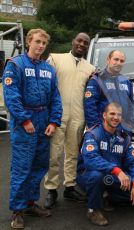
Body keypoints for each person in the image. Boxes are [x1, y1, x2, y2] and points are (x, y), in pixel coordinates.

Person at [2, 28, 62, 229]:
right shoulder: (15, 65)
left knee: (38, 166)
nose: (41, 46)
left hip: (44, 120)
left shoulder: (49, 69)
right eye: (37, 42)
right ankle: (17, 210)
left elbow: (55, 97)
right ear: (29, 42)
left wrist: (54, 122)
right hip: (24, 122)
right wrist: (25, 120)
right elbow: (11, 96)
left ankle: (29, 203)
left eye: (44, 43)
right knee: (22, 167)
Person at [44, 33, 95, 209]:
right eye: (79, 41)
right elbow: (45, 86)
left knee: (73, 153)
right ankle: (51, 189)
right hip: (57, 115)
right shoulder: (56, 59)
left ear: (88, 47)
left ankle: (70, 187)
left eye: (85, 43)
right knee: (54, 154)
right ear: (73, 42)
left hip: (78, 116)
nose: (81, 44)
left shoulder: (90, 68)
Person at [77, 103, 134, 226]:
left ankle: (106, 196)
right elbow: (91, 159)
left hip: (112, 177)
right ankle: (93, 209)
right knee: (97, 176)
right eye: (112, 114)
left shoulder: (123, 138)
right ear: (104, 115)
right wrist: (117, 170)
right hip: (89, 174)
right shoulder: (93, 134)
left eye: (119, 115)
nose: (116, 117)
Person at [84, 50, 134, 133]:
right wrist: (96, 130)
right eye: (116, 59)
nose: (118, 63)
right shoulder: (97, 80)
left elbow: (131, 107)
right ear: (108, 60)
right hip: (102, 131)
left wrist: (129, 126)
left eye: (122, 61)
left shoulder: (127, 82)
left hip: (122, 133)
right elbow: (90, 107)